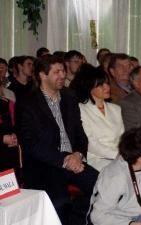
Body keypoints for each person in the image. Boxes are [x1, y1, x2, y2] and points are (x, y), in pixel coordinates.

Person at [15, 55, 99, 224]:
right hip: (45, 165)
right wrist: (64, 159)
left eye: (63, 71)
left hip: (73, 160)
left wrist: (78, 155)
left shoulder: (69, 97)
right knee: (61, 203)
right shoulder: (27, 103)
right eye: (57, 72)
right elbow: (31, 145)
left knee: (103, 188)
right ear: (42, 75)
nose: (62, 75)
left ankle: (78, 219)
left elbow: (80, 134)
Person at [71, 63, 124, 171]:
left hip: (119, 156)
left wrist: (125, 154)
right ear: (89, 87)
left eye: (107, 83)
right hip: (96, 159)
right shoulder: (81, 109)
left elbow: (122, 138)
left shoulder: (116, 109)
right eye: (100, 85)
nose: (106, 87)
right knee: (121, 172)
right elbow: (90, 143)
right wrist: (117, 155)